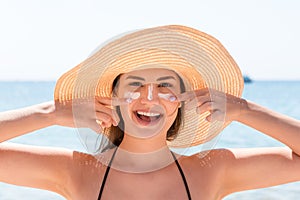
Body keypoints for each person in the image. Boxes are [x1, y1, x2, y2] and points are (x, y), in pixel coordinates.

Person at [0, 25, 300, 200]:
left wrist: (245, 110)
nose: (149, 98)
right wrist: (49, 113)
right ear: (113, 99)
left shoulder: (212, 170)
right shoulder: (75, 170)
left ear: (181, 101)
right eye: (135, 86)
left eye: (166, 87)